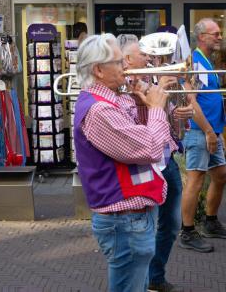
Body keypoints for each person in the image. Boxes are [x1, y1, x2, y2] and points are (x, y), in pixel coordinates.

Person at [73, 33, 171, 292]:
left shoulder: (112, 101)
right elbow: (149, 147)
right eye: (118, 62)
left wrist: (143, 103)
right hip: (125, 220)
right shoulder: (100, 110)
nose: (126, 66)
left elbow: (140, 133)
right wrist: (157, 108)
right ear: (98, 70)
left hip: (131, 217)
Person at [119, 35, 193, 292]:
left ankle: (155, 276)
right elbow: (134, 127)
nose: (150, 59)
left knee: (172, 225)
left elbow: (166, 119)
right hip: (145, 165)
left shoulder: (151, 81)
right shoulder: (120, 90)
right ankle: (143, 280)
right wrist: (149, 101)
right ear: (127, 60)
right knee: (145, 230)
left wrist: (177, 112)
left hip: (167, 159)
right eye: (144, 54)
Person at [178, 18, 226, 253]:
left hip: (212, 132)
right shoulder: (194, 62)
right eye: (216, 33)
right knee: (195, 181)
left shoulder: (206, 62)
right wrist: (210, 132)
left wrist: (216, 132)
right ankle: (187, 232)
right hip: (201, 133)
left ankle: (210, 222)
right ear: (202, 36)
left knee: (220, 176)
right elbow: (192, 102)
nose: (220, 37)